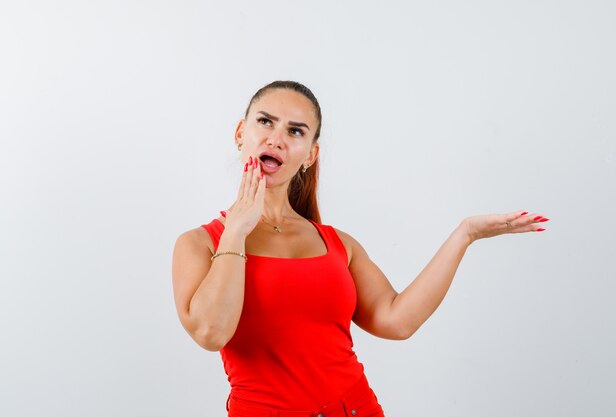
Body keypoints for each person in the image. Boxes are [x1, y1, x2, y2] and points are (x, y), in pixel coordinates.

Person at [171, 80, 549, 417]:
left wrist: (464, 235)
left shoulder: (337, 244)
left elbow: (396, 321)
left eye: (295, 131)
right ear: (241, 133)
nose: (276, 138)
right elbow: (210, 332)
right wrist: (237, 229)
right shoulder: (200, 243)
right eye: (265, 122)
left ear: (310, 155)